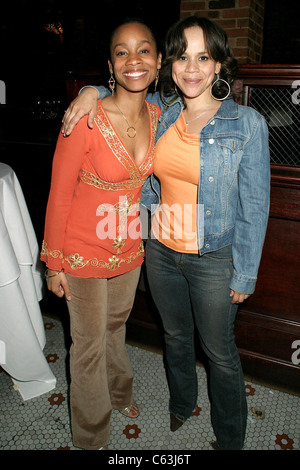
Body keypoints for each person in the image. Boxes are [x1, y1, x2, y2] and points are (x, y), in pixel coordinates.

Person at [62, 16, 270, 450]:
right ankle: (181, 403)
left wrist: (245, 273)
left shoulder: (246, 124)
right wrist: (89, 91)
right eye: (182, 57)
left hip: (215, 258)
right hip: (159, 249)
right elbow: (124, 88)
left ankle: (231, 438)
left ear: (218, 66)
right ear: (169, 64)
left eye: (203, 57)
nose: (191, 68)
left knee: (219, 354)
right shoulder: (164, 111)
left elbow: (254, 207)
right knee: (174, 337)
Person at [41, 19, 162, 450]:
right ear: (110, 64)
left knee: (116, 326)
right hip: (81, 250)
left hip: (129, 245)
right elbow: (57, 195)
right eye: (122, 52)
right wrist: (53, 263)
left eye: (144, 50)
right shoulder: (85, 116)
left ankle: (120, 391)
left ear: (159, 60)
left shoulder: (159, 114)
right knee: (88, 344)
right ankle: (91, 437)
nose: (134, 60)